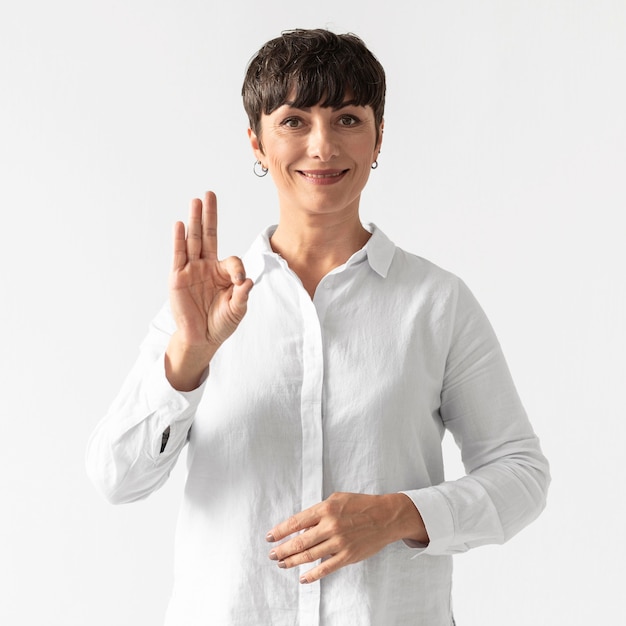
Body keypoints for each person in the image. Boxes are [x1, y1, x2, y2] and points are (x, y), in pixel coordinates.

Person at [86, 28, 550, 626]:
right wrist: (187, 358)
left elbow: (521, 476)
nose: (323, 146)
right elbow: (115, 479)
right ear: (256, 142)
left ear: (379, 136)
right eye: (294, 121)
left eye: (348, 119)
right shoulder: (207, 304)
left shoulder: (437, 303)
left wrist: (397, 514)